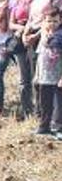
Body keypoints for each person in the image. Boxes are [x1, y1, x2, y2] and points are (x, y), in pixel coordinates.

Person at [24, 0, 62, 125]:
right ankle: (41, 115)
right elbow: (32, 18)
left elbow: (52, 21)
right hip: (33, 39)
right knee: (37, 79)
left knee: (52, 81)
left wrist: (36, 35)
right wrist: (26, 33)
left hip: (49, 39)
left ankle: (55, 118)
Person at [10, 0, 36, 117]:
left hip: (35, 39)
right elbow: (11, 23)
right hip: (20, 41)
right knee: (24, 78)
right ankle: (27, 110)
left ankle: (40, 109)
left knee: (36, 76)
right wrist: (21, 28)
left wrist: (28, 29)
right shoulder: (19, 1)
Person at [34, 8, 62, 137]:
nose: (52, 23)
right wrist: (37, 75)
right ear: (44, 21)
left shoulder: (59, 35)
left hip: (57, 76)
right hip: (44, 75)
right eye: (49, 21)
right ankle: (44, 126)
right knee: (45, 102)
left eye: (55, 21)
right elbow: (40, 55)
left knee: (59, 103)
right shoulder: (43, 35)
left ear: (60, 20)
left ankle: (58, 128)